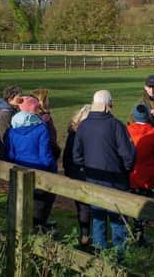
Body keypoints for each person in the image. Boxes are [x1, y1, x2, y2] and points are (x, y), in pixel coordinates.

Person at [73, 90, 135, 255]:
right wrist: (124, 170)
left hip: (93, 180)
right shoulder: (116, 125)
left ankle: (100, 256)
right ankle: (119, 259)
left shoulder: (84, 125)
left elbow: (76, 156)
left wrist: (88, 167)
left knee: (98, 218)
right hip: (115, 181)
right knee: (117, 221)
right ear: (109, 105)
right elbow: (128, 155)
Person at [5, 95, 57, 231]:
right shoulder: (41, 129)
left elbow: (10, 153)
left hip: (19, 168)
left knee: (21, 198)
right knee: (42, 201)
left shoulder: (12, 129)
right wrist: (52, 169)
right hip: (39, 169)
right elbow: (45, 155)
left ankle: (19, 225)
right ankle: (37, 227)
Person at [127, 103, 154, 246]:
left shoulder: (126, 130)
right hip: (150, 176)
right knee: (146, 205)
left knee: (132, 204)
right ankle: (139, 235)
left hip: (131, 175)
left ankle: (135, 232)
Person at [62, 104, 92, 246]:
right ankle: (86, 235)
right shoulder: (83, 132)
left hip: (75, 172)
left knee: (83, 206)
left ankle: (85, 234)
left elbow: (67, 155)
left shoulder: (73, 131)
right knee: (86, 206)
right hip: (83, 172)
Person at [32, 88, 61, 161]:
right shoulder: (44, 119)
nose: (48, 101)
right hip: (46, 157)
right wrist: (57, 151)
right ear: (40, 101)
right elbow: (50, 140)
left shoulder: (39, 116)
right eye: (46, 99)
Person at [0, 85, 22, 157]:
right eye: (19, 97)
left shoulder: (13, 110)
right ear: (10, 99)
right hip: (8, 152)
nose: (21, 99)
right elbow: (4, 136)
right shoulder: (5, 114)